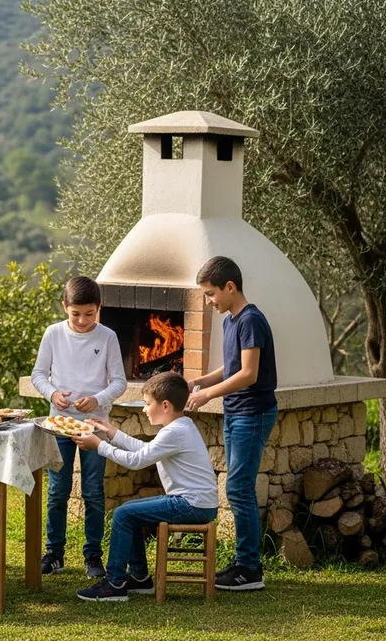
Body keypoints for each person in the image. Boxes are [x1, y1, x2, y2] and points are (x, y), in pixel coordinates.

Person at [73, 372, 218, 602]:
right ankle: (140, 577)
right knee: (130, 513)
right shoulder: (180, 426)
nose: (144, 409)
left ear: (166, 405)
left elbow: (136, 461)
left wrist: (99, 445)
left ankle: (115, 584)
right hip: (198, 503)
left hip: (192, 505)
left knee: (123, 514)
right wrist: (112, 432)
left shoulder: (174, 432)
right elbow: (144, 450)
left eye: (147, 404)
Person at [184, 255, 277, 591]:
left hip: (253, 412)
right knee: (237, 488)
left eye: (211, 294)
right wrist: (199, 382)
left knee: (238, 488)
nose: (209, 302)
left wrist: (208, 396)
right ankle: (243, 562)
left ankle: (250, 569)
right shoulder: (231, 320)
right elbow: (232, 367)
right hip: (236, 412)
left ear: (230, 286)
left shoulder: (251, 320)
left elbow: (249, 374)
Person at [31, 275, 127, 578]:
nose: (83, 320)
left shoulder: (108, 337)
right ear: (65, 307)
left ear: (98, 308)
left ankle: (93, 555)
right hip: (59, 424)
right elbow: (38, 375)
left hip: (94, 424)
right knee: (58, 490)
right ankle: (54, 552)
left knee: (93, 491)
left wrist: (97, 399)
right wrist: (52, 394)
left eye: (89, 313)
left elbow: (120, 382)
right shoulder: (53, 333)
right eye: (76, 314)